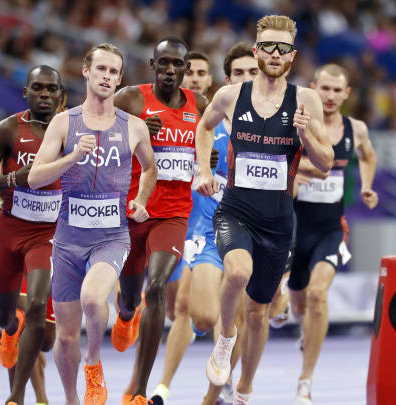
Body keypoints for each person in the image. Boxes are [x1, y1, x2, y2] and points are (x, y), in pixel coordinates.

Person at [195, 15, 334, 404]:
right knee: (237, 271)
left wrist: (306, 135)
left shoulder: (305, 100)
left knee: (258, 312)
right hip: (236, 211)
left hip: (278, 223)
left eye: (283, 48)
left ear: (292, 56)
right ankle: (225, 339)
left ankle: (245, 388)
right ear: (256, 50)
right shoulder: (231, 96)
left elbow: (324, 162)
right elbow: (204, 128)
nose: (275, 54)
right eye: (268, 46)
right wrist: (204, 169)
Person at [28, 42, 157, 405]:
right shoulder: (63, 122)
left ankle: (94, 362)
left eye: (114, 72)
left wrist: (141, 200)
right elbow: (36, 177)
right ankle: (71, 398)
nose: (107, 77)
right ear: (86, 72)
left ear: (119, 79)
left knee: (92, 297)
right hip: (68, 241)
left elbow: (150, 168)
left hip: (112, 237)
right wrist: (71, 157)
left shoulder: (133, 126)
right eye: (101, 69)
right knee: (66, 337)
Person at [148, 44, 257, 405]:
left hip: (248, 227)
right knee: (194, 312)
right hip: (198, 223)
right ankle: (163, 384)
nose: (192, 78)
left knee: (239, 311)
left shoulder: (266, 120)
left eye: (251, 73)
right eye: (238, 73)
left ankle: (217, 393)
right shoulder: (195, 119)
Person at [112, 36, 208, 405]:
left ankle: (139, 391)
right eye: (163, 63)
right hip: (134, 210)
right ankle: (124, 314)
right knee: (131, 296)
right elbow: (97, 139)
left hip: (174, 213)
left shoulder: (199, 104)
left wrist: (208, 161)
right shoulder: (131, 100)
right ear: (152, 64)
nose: (170, 70)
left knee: (156, 289)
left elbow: (208, 147)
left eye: (177, 65)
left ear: (185, 69)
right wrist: (131, 133)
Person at [0, 65, 65, 405]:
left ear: (60, 95)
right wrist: (11, 181)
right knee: (5, 317)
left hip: (48, 236)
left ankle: (16, 398)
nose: (44, 94)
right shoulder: (8, 130)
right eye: (37, 87)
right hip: (10, 233)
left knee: (44, 331)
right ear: (26, 92)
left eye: (51, 89)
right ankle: (10, 330)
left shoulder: (73, 132)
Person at [289, 64, 378, 405]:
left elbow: (368, 156)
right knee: (299, 306)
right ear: (313, 88)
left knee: (317, 295)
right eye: (323, 89)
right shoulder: (298, 123)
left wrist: (367, 186)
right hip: (296, 228)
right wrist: (298, 177)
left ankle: (305, 381)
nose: (328, 96)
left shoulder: (356, 129)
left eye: (335, 90)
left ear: (346, 94)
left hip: (331, 227)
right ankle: (305, 330)